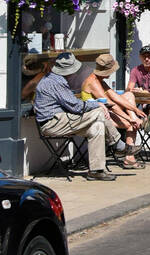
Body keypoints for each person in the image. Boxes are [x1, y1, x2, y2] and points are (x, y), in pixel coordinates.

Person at [33, 51, 116, 181]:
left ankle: (96, 170)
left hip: (61, 120)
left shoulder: (53, 79)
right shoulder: (56, 82)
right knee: (98, 112)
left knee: (98, 126)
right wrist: (98, 105)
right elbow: (75, 107)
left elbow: (72, 105)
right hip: (53, 123)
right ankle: (117, 143)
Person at [74, 53, 147, 168]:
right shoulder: (93, 82)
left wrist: (135, 110)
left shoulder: (99, 80)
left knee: (129, 95)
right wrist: (129, 118)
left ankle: (136, 120)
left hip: (105, 112)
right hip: (95, 116)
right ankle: (129, 157)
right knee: (129, 124)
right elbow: (111, 104)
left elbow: (114, 96)